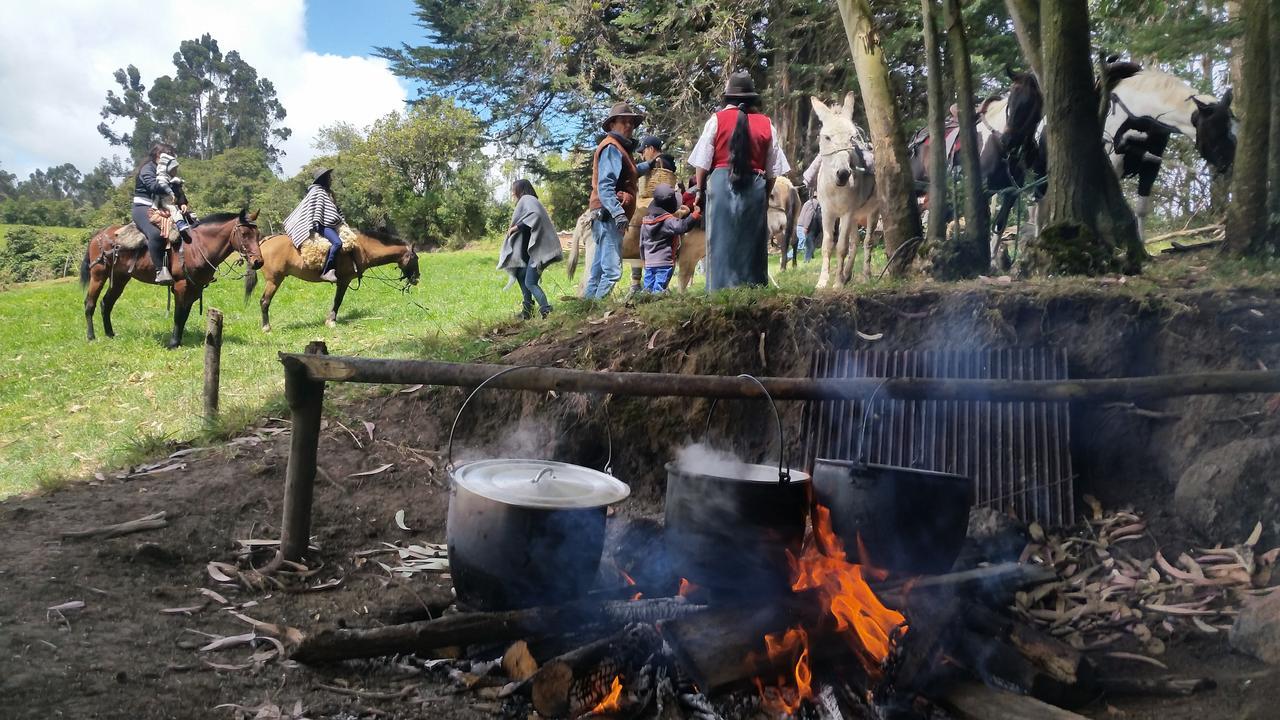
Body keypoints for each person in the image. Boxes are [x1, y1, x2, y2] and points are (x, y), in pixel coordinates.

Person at [688, 70, 791, 290]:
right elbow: (773, 170)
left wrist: (699, 191)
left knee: (720, 239)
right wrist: (763, 193)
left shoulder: (716, 120)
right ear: (752, 98)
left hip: (720, 184)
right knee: (751, 242)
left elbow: (702, 163)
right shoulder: (766, 124)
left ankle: (718, 291)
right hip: (755, 185)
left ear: (728, 97)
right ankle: (751, 289)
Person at [584, 101, 645, 300]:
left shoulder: (619, 148)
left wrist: (650, 165)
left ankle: (586, 309)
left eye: (631, 123)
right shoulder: (612, 148)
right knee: (612, 272)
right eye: (624, 122)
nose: (629, 126)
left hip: (604, 214)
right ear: (612, 125)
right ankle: (597, 310)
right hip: (609, 214)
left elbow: (630, 173)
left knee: (598, 270)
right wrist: (619, 213)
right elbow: (605, 187)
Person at [498, 179, 562, 319]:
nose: (512, 193)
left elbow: (535, 216)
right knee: (521, 274)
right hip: (531, 252)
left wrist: (517, 227)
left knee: (530, 282)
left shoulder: (527, 199)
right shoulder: (529, 201)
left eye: (513, 189)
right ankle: (527, 311)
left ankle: (546, 310)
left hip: (540, 251)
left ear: (520, 189)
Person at [131, 142, 184, 284]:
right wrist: (173, 183)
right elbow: (153, 187)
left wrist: (183, 203)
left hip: (164, 207)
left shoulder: (167, 172)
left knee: (192, 226)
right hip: (143, 207)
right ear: (158, 156)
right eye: (168, 155)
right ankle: (160, 270)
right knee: (155, 234)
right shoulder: (147, 169)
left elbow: (177, 191)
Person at [284, 167, 345, 282]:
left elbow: (333, 210)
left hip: (330, 224)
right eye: (329, 177)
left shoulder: (328, 193)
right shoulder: (317, 191)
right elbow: (315, 211)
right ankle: (327, 271)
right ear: (323, 179)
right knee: (337, 243)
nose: (331, 180)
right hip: (322, 225)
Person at [639, 183, 701, 293]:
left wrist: (644, 260)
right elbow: (683, 226)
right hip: (664, 262)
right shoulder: (668, 221)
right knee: (659, 289)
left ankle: (645, 303)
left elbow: (641, 244)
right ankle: (657, 305)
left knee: (648, 287)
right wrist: (694, 214)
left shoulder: (645, 221)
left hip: (649, 262)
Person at [796, 194, 822, 263]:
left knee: (809, 245)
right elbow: (809, 215)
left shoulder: (808, 202)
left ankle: (808, 260)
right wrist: (806, 227)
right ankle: (786, 258)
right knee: (801, 245)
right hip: (803, 226)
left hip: (801, 225)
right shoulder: (814, 203)